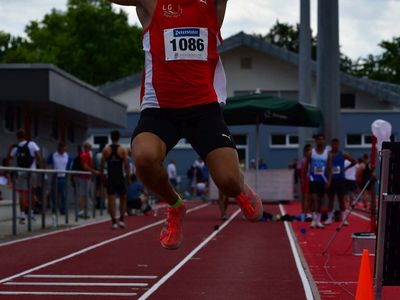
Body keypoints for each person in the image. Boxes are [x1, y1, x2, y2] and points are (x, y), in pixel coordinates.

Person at [109, 0, 263, 249]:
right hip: (160, 110)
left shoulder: (210, 8)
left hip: (203, 110)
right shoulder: (154, 5)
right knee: (144, 158)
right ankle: (176, 206)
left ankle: (240, 188)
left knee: (228, 182)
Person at [7, 129, 42, 224]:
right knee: (32, 193)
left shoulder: (16, 147)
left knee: (22, 194)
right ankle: (30, 213)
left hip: (21, 172)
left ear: (17, 137)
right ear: (25, 135)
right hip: (32, 171)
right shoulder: (32, 144)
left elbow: (9, 159)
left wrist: (10, 147)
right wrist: (40, 167)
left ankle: (22, 215)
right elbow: (38, 156)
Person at [100, 130, 131, 229]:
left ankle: (113, 222)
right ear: (119, 138)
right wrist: (128, 178)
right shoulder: (122, 150)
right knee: (123, 198)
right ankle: (121, 220)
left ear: (111, 137)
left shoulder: (106, 150)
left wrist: (102, 177)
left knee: (111, 200)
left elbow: (101, 166)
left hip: (111, 178)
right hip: (120, 178)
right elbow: (126, 166)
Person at [325, 139, 356, 225]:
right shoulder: (328, 155)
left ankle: (344, 219)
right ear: (331, 145)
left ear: (338, 145)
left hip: (340, 179)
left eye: (336, 144)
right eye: (333, 144)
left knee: (341, 199)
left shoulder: (342, 154)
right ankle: (329, 218)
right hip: (331, 179)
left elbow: (354, 161)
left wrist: (346, 168)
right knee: (330, 199)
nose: (335, 146)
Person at [305, 133, 328, 229]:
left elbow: (329, 168)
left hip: (323, 179)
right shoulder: (311, 153)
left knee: (320, 200)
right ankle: (314, 219)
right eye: (319, 139)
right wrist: (306, 177)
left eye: (322, 139)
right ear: (316, 141)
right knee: (313, 199)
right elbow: (306, 165)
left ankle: (318, 220)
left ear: (324, 141)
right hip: (313, 178)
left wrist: (329, 180)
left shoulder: (327, 153)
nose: (320, 141)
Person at [47, 141, 71, 215]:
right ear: (59, 148)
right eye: (63, 148)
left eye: (65, 149)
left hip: (63, 176)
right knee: (54, 193)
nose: (64, 150)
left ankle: (62, 208)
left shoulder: (67, 156)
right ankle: (54, 207)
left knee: (63, 194)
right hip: (55, 176)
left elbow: (69, 166)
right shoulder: (53, 155)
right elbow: (47, 163)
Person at [78, 142, 98, 217]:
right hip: (84, 177)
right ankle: (81, 211)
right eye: (89, 148)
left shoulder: (88, 155)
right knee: (83, 194)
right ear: (86, 148)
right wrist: (93, 171)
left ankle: (83, 210)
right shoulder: (84, 155)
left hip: (87, 177)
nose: (90, 149)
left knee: (85, 194)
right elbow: (85, 166)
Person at [297, 144, 312, 221]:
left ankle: (310, 213)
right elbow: (299, 172)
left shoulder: (313, 160)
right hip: (305, 180)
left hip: (313, 180)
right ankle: (304, 213)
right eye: (308, 150)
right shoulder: (301, 160)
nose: (309, 152)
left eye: (310, 150)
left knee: (312, 197)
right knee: (305, 197)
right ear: (305, 151)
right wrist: (302, 180)